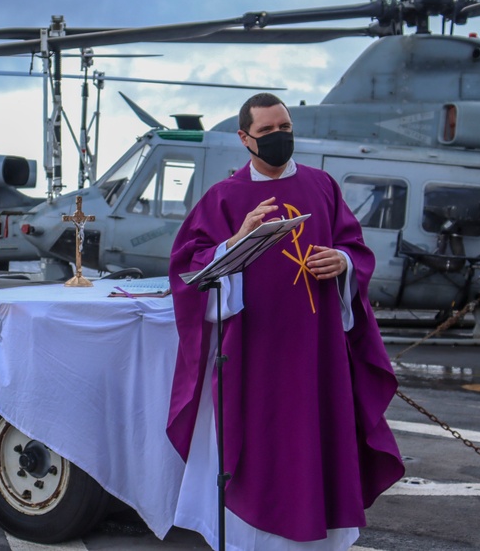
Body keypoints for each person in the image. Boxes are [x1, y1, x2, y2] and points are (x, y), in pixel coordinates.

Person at [166, 93, 404, 550]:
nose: (279, 138)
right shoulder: (225, 198)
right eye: (268, 132)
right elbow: (188, 269)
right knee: (262, 449)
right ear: (244, 138)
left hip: (319, 351)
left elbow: (355, 249)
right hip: (255, 353)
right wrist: (234, 242)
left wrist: (344, 262)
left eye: (285, 128)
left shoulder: (322, 187)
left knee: (318, 442)